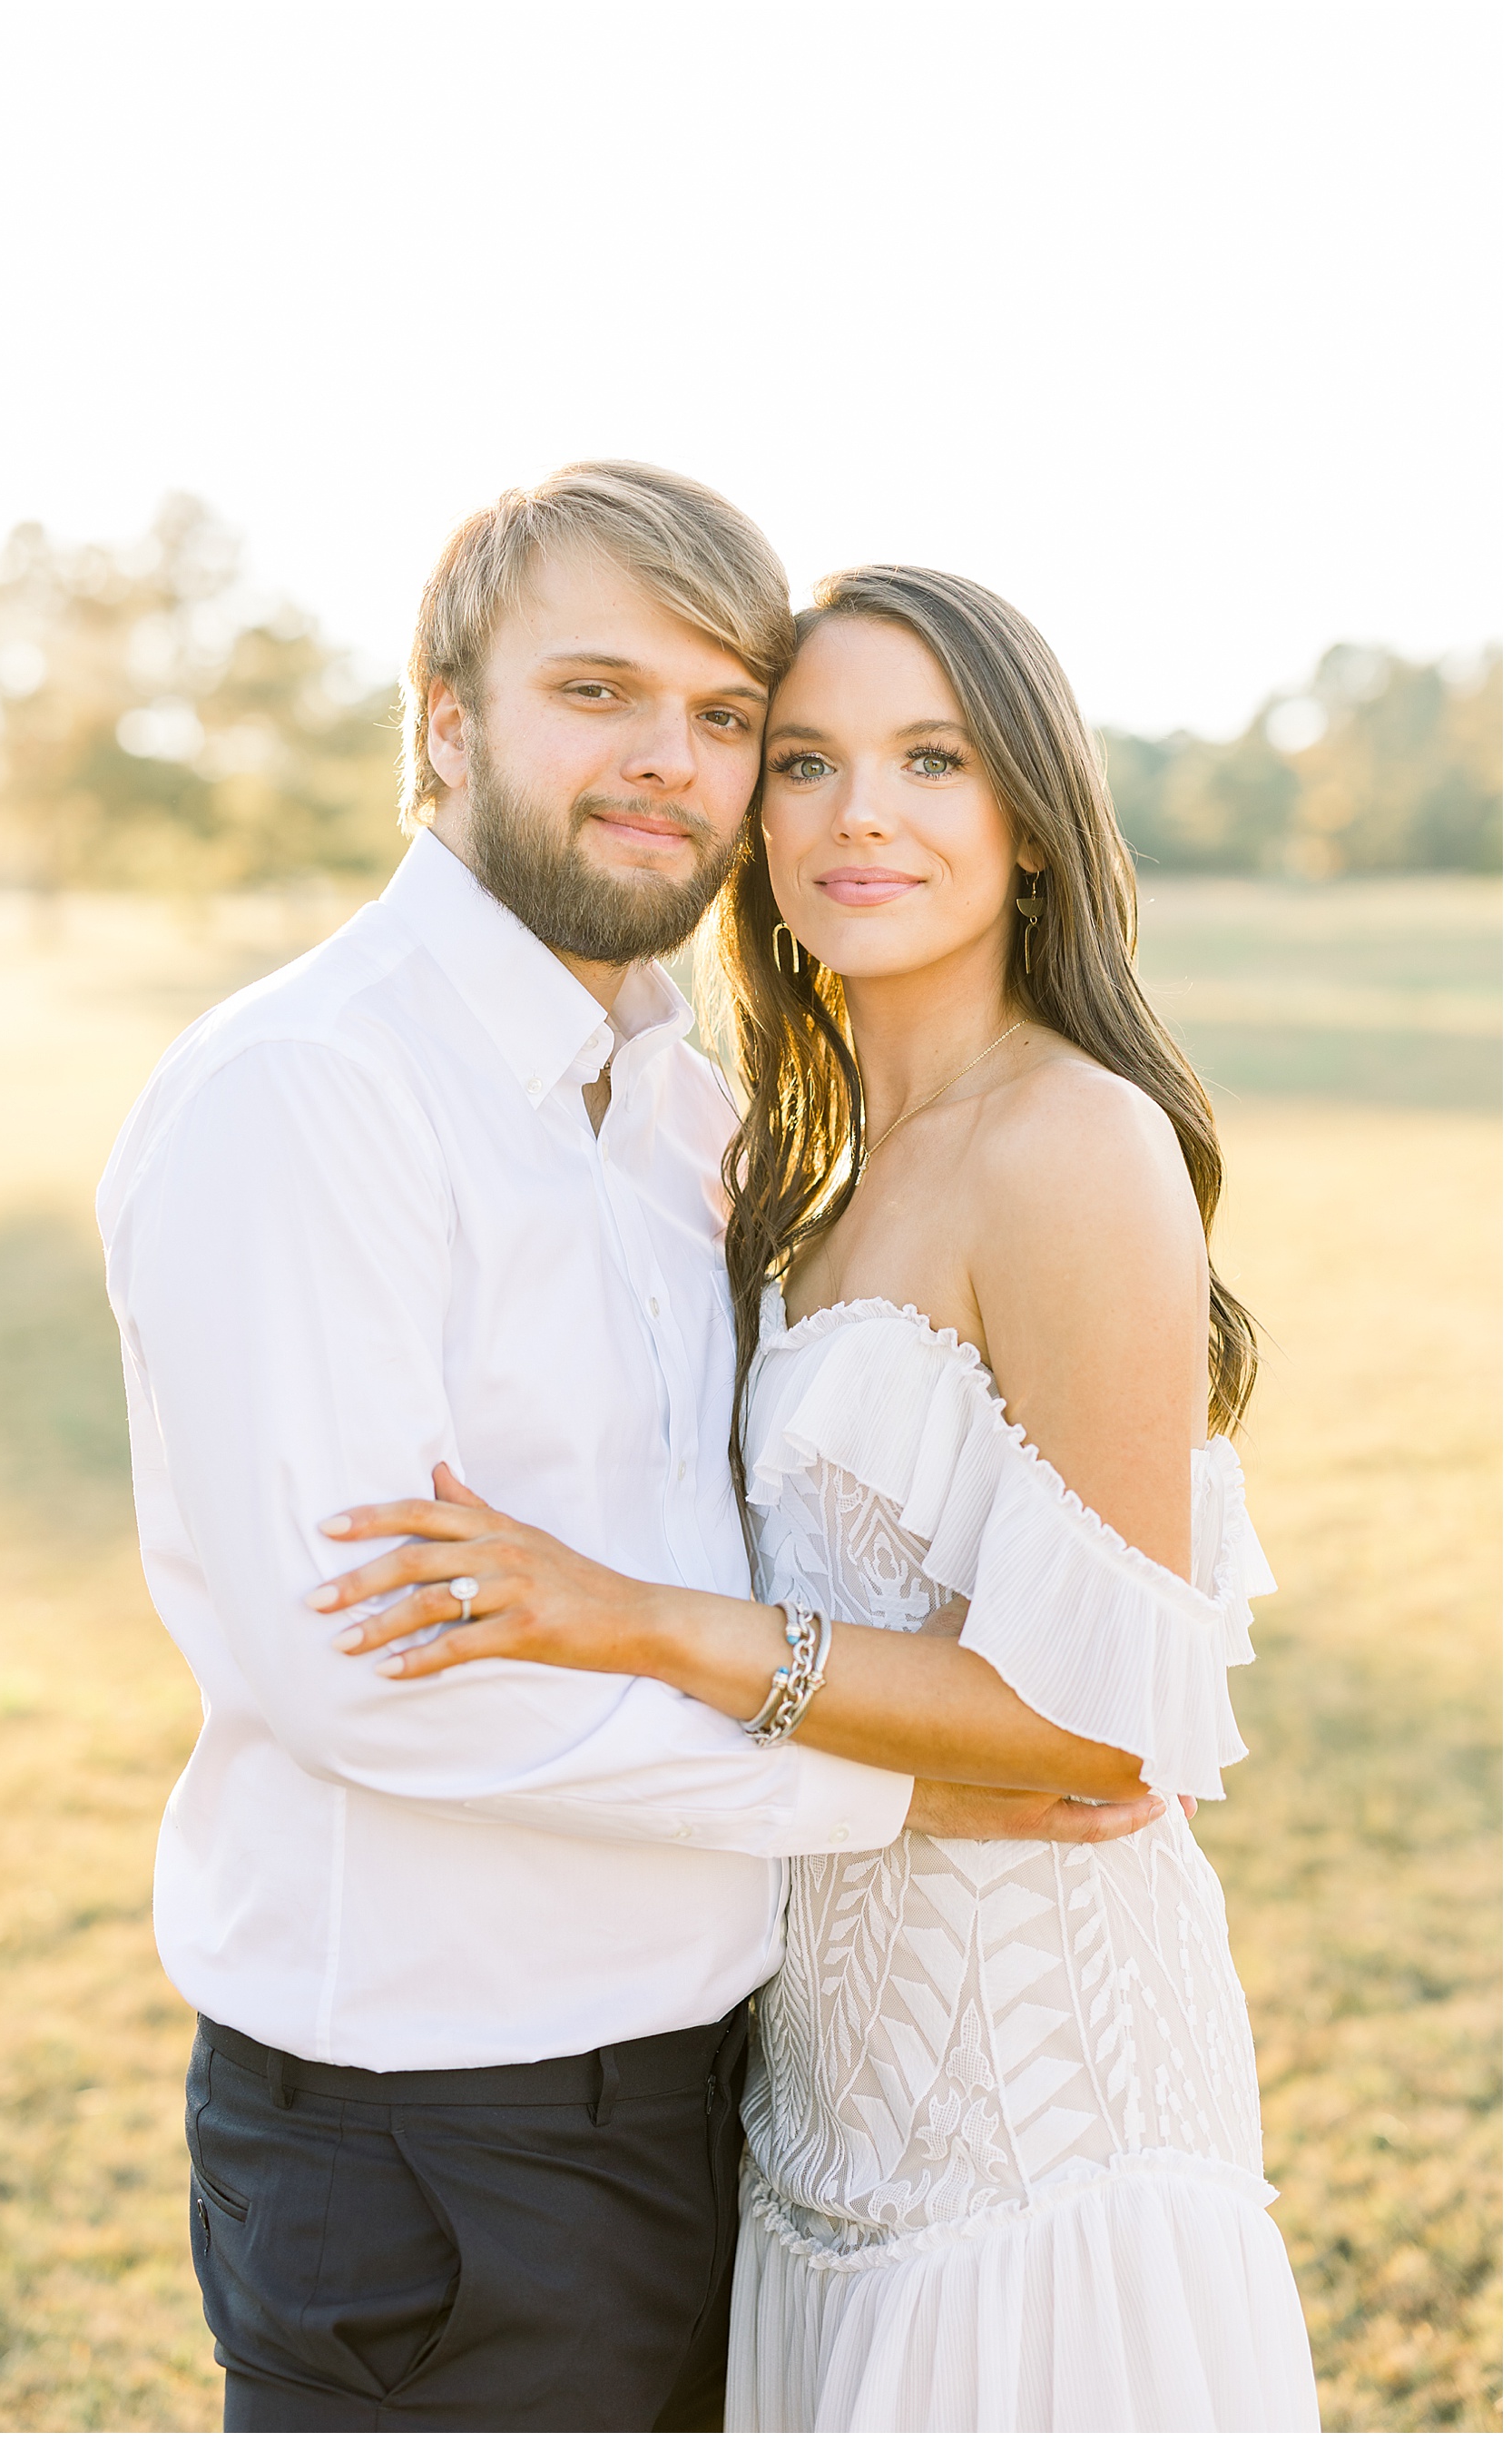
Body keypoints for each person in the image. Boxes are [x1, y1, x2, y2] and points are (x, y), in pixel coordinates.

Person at [98, 470, 1161, 2435]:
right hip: (437, 2133)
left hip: (726, 2094)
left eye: (724, 713)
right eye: (597, 691)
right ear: (446, 721)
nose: (670, 759)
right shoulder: (312, 1089)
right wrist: (889, 1793)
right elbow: (368, 1674)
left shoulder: (689, 1120)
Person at [315, 565, 1322, 2431]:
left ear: (1031, 822)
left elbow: (1107, 1734)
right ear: (756, 823)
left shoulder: (1074, 1141)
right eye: (804, 760)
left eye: (933, 759)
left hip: (1038, 2130)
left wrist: (635, 1621)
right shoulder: (799, 1165)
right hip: (819, 2121)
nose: (863, 812)